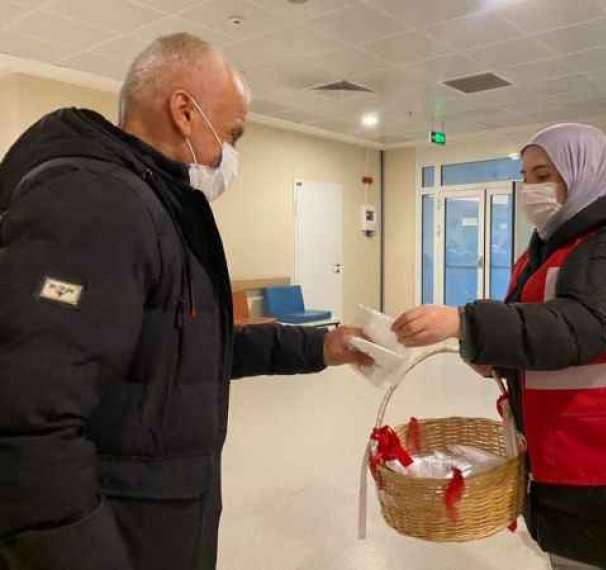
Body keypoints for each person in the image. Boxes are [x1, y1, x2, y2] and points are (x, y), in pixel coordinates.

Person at [0, 34, 370, 570]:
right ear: (185, 112)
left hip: (164, 513)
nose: (232, 155)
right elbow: (26, 424)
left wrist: (321, 348)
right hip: (123, 526)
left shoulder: (159, 205)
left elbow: (193, 347)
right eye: (234, 134)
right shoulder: (97, 203)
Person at [391, 123, 606, 570]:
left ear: (584, 173)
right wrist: (492, 356)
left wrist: (464, 321)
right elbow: (546, 340)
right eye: (525, 176)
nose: (530, 188)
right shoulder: (550, 247)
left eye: (544, 175)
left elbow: (581, 327)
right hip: (576, 461)